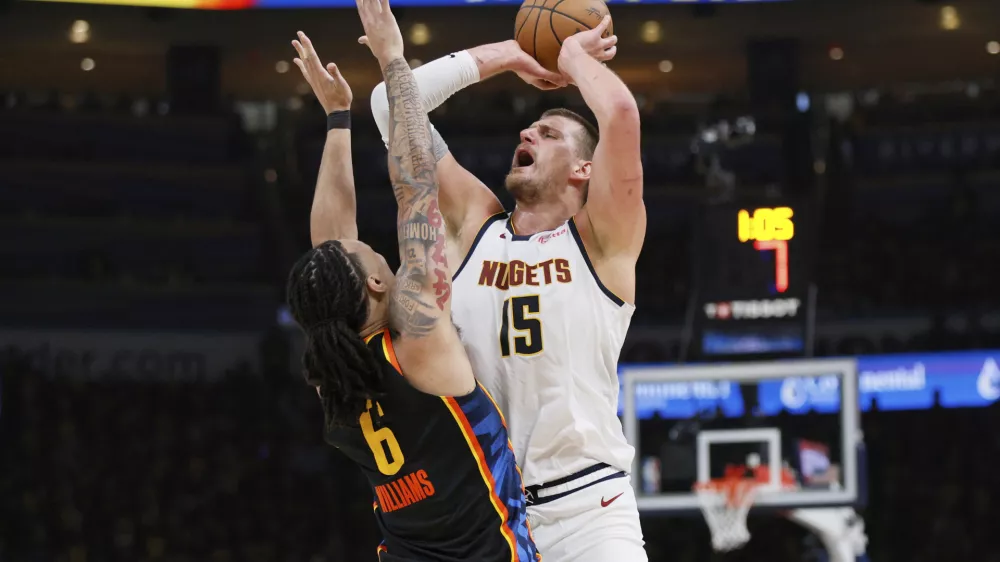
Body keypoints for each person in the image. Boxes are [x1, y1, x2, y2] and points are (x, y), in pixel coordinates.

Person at [366, 16, 647, 562]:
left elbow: (619, 113)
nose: (527, 133)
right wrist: (514, 55)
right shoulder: (474, 223)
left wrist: (573, 58)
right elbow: (388, 104)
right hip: (489, 513)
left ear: (585, 168)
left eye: (548, 134)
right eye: (529, 129)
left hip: (590, 509)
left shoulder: (602, 239)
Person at [286, 14, 539, 561]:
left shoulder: (335, 380)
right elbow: (413, 183)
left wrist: (337, 118)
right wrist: (392, 60)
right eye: (363, 250)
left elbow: (330, 245)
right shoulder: (417, 339)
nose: (360, 241)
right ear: (376, 282)